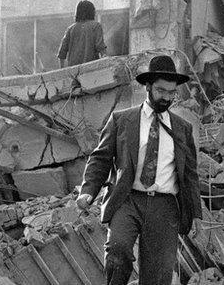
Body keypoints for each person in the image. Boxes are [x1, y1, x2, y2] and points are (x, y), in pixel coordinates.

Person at [76, 55, 202, 285]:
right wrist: (88, 191)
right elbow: (101, 159)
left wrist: (195, 215)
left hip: (165, 207)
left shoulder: (183, 129)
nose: (167, 97)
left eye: (171, 92)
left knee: (157, 275)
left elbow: (190, 175)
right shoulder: (122, 120)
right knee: (118, 250)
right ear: (147, 87)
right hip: (128, 199)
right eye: (161, 90)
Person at [57, 0, 107, 68]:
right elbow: (101, 48)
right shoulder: (96, 26)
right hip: (92, 69)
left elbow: (61, 54)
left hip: (73, 72)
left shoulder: (71, 29)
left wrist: (62, 71)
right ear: (92, 12)